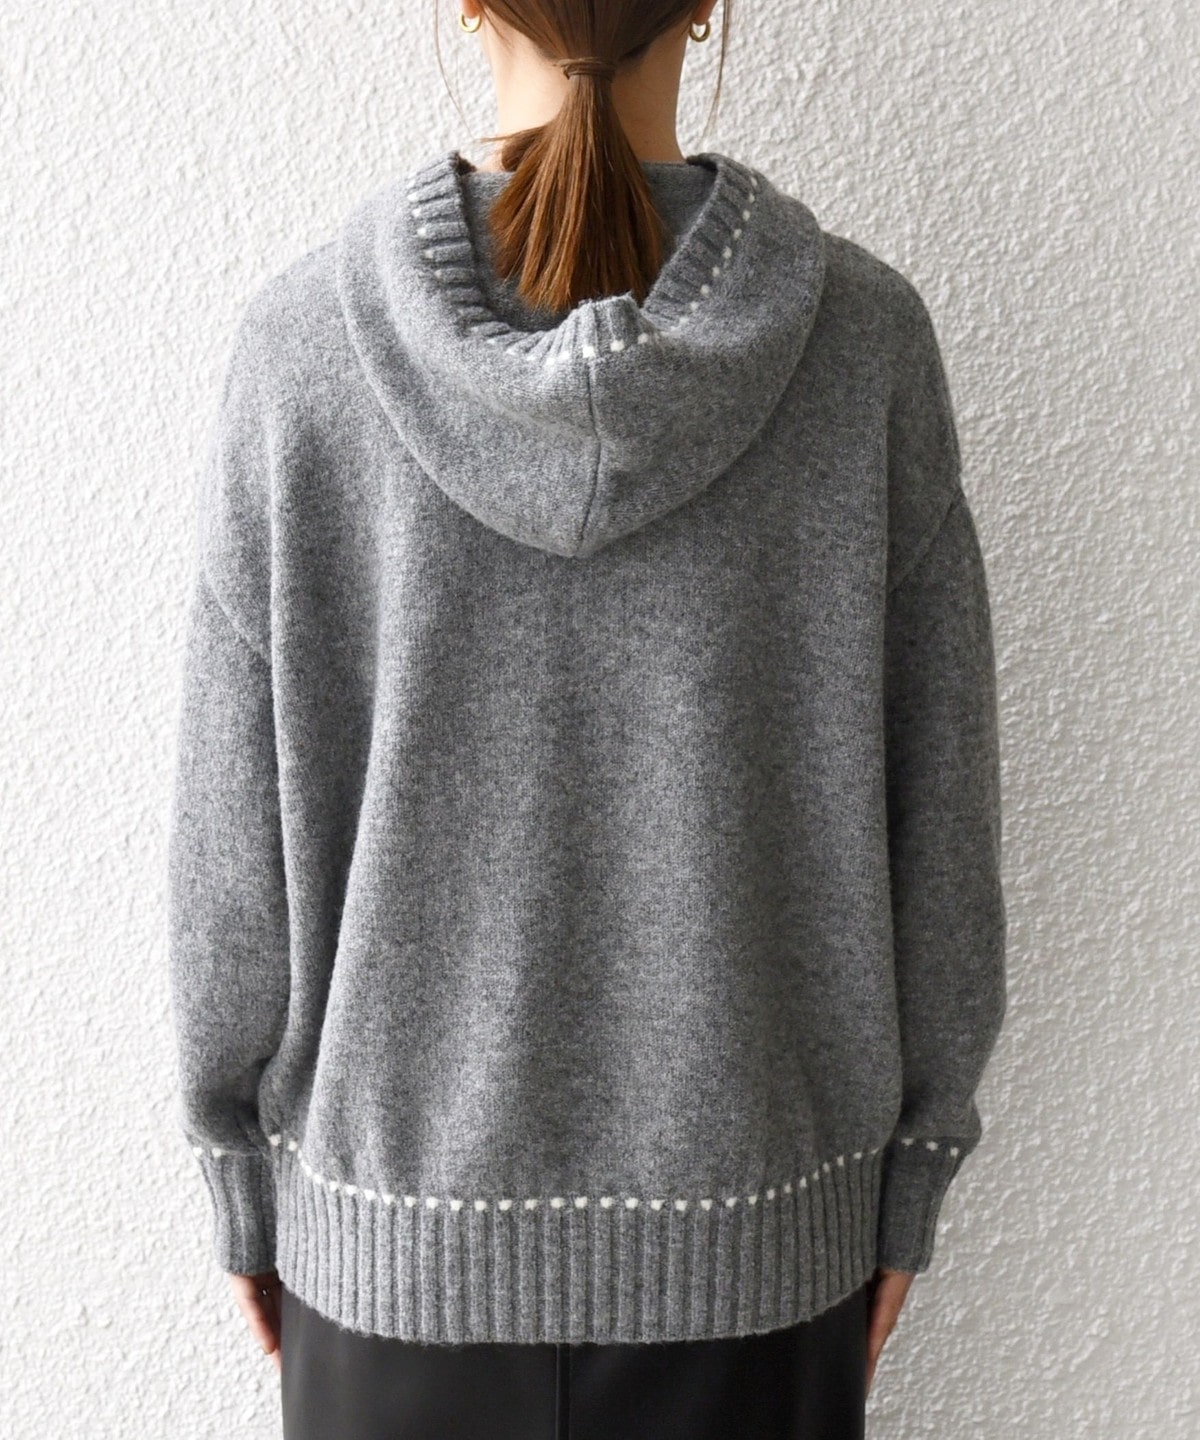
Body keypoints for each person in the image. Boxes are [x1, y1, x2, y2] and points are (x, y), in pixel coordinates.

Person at [165, 1, 1008, 1435]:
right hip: (761, 1267)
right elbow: (944, 827)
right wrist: (912, 1169)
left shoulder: (302, 352)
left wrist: (244, 1182)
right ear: (708, 5)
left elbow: (229, 863)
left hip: (391, 1284)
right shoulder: (862, 348)